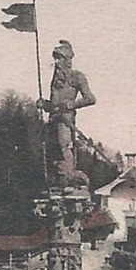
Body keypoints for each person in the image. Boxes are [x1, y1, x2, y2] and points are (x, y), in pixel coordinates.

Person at [38, 40, 96, 187]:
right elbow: (53, 105)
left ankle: (69, 176)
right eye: (55, 58)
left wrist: (72, 104)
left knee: (64, 145)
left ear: (67, 60)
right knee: (52, 149)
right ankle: (56, 179)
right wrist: (44, 104)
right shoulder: (55, 80)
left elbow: (90, 99)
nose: (56, 62)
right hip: (53, 119)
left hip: (66, 119)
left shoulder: (77, 76)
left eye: (59, 58)